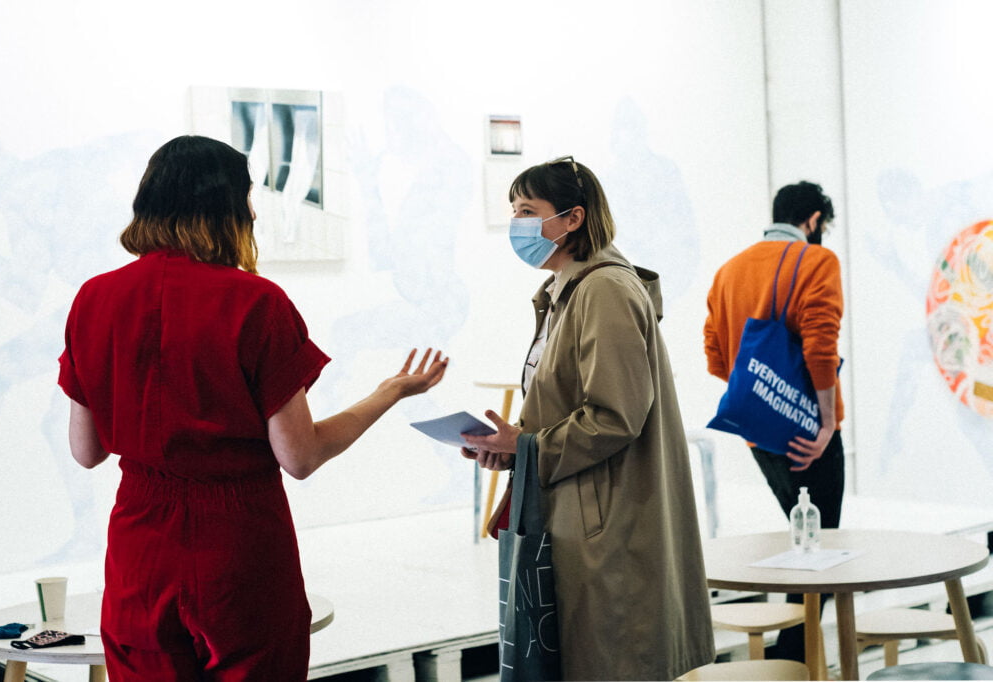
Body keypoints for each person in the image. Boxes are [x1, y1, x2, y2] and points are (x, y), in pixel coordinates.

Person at [57, 135, 447, 681]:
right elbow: (301, 456)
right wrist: (389, 392)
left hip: (139, 543)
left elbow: (85, 450)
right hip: (238, 542)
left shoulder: (94, 298)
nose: (253, 211)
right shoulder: (257, 303)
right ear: (226, 208)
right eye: (246, 197)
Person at [463, 156, 715, 681]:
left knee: (609, 660)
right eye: (513, 211)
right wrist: (513, 446)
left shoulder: (603, 290)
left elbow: (615, 415)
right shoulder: (565, 292)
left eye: (529, 210)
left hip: (606, 518)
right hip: (577, 507)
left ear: (573, 218)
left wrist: (529, 447)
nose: (517, 224)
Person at [703, 180, 844, 661]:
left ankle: (795, 656)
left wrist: (763, 393)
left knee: (803, 538)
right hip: (809, 432)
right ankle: (793, 662)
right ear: (813, 221)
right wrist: (825, 424)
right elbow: (821, 344)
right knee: (823, 547)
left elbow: (716, 355)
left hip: (758, 432)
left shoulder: (728, 271)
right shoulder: (817, 261)